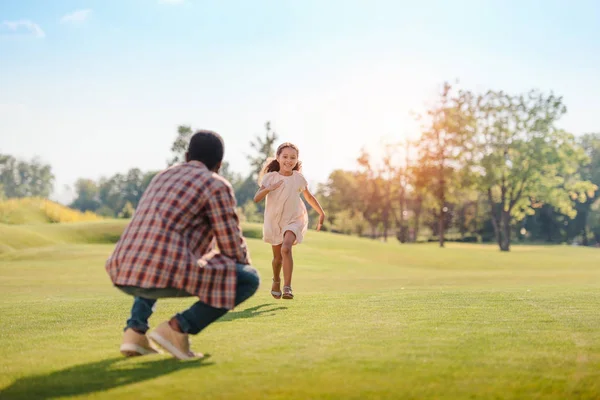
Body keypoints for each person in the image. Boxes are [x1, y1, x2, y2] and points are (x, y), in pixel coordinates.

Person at [105, 130, 260, 360]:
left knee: (158, 254)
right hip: (163, 273)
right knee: (249, 279)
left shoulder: (162, 176)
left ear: (187, 156)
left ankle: (134, 332)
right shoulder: (215, 184)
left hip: (121, 270)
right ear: (219, 164)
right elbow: (231, 246)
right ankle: (177, 328)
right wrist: (237, 276)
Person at [253, 142, 325, 300]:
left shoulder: (298, 178)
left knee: (286, 248)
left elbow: (308, 197)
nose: (289, 160)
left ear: (297, 160)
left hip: (294, 219)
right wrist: (268, 189)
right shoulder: (270, 177)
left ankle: (287, 286)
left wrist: (321, 212)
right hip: (274, 221)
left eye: (293, 157)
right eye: (285, 156)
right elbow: (257, 198)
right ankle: (276, 280)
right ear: (278, 158)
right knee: (277, 258)